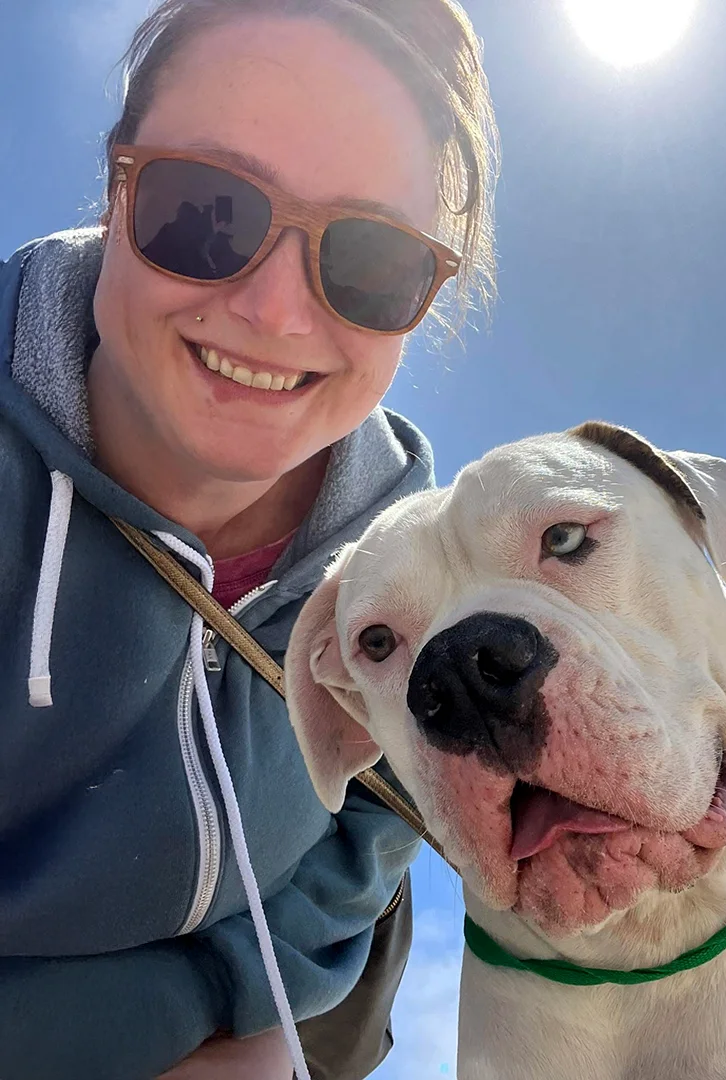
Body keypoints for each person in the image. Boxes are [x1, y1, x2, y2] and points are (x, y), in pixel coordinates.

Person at [0, 1, 497, 1077]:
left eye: (369, 260)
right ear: (117, 188)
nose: (274, 312)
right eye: (204, 210)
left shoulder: (415, 568)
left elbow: (383, 824)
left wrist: (236, 1006)